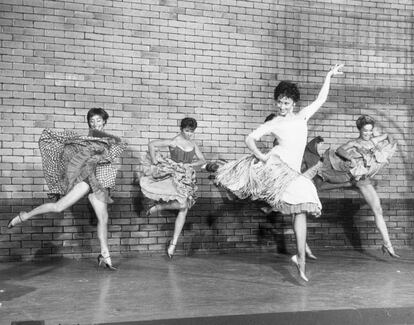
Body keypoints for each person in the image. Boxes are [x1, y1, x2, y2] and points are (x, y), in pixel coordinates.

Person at [216, 64, 344, 281]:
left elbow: (321, 100)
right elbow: (249, 138)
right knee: (248, 190)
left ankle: (300, 258)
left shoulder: (303, 116)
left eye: (286, 102)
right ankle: (222, 173)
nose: (282, 106)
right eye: (279, 102)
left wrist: (328, 76)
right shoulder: (275, 122)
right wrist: (262, 156)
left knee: (301, 211)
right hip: (275, 167)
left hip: (292, 173)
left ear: (294, 103)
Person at [7, 108, 126, 270]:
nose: (95, 124)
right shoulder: (85, 139)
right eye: (92, 121)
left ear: (104, 121)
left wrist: (108, 143)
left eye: (98, 120)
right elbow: (78, 154)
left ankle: (105, 255)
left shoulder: (110, 141)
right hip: (87, 179)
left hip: (100, 183)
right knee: (58, 207)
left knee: (103, 219)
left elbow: (116, 149)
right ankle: (24, 216)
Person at [310, 115, 399, 257]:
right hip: (354, 176)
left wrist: (383, 143)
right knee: (319, 184)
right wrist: (351, 158)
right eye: (365, 131)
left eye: (370, 131)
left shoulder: (374, 140)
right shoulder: (355, 142)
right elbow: (340, 150)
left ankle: (387, 244)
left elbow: (389, 137)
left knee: (378, 209)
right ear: (359, 130)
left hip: (363, 179)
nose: (368, 134)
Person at [136, 117, 206, 259]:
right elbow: (152, 144)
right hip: (174, 177)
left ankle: (173, 244)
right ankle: (158, 207)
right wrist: (155, 161)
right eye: (186, 131)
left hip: (187, 178)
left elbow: (202, 160)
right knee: (183, 204)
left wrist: (191, 165)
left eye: (191, 131)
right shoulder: (174, 141)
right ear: (181, 129)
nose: (189, 134)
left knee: (184, 209)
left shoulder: (193, 144)